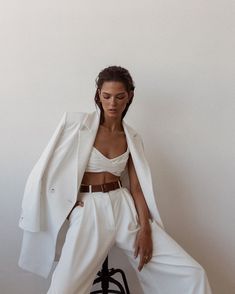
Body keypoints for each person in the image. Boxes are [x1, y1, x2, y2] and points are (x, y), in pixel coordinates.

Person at [19, 66, 213, 294]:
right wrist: (70, 206)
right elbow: (49, 169)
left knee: (192, 272)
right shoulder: (76, 125)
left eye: (119, 97)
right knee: (63, 289)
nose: (112, 103)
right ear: (98, 95)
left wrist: (145, 231)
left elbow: (137, 188)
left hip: (124, 206)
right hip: (89, 208)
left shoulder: (132, 137)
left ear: (129, 96)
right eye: (106, 96)